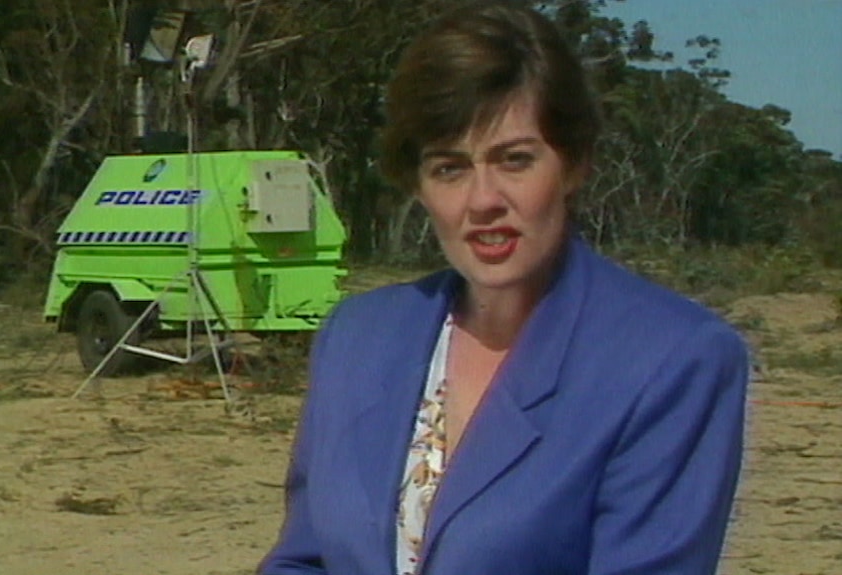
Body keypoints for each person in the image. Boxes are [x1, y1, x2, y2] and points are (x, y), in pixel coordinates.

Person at [258, 2, 749, 574]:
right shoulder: (359, 337)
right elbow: (304, 559)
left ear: (573, 164)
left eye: (514, 161)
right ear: (417, 182)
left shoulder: (673, 360)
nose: (483, 200)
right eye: (450, 168)